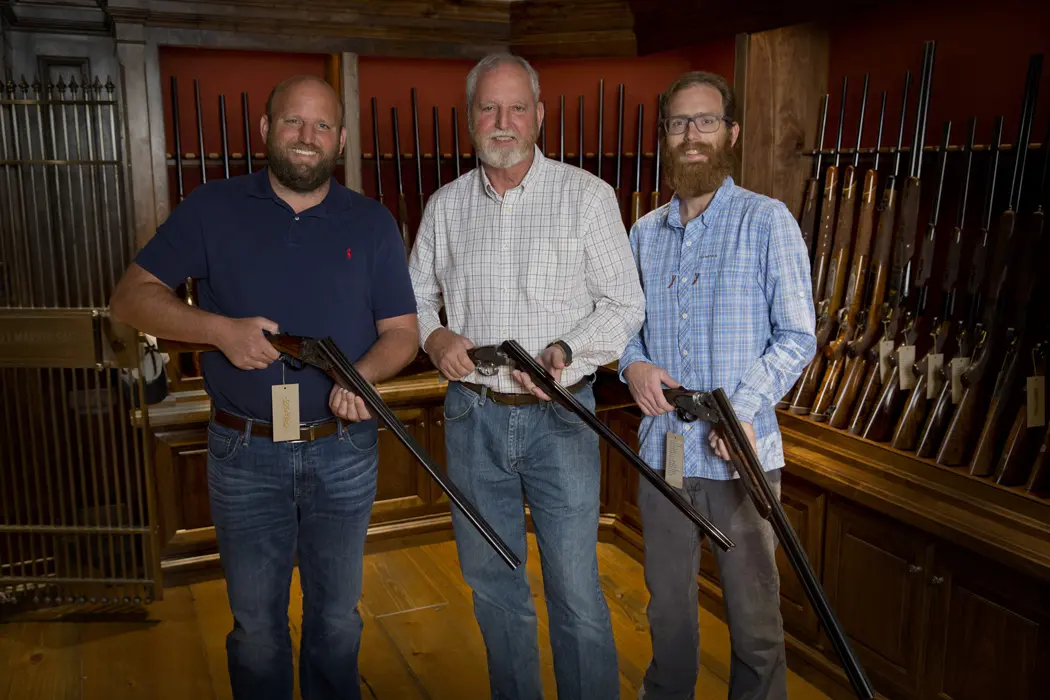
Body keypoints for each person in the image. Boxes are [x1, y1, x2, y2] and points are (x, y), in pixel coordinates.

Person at [109, 75, 419, 700]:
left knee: (336, 621)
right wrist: (218, 330)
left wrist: (364, 376)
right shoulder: (211, 206)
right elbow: (130, 300)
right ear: (265, 129)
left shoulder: (373, 221)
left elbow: (403, 333)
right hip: (244, 454)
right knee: (255, 629)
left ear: (339, 141)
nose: (307, 137)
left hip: (344, 449)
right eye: (292, 122)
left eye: (322, 126)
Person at [408, 52, 644, 699]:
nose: (502, 121)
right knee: (493, 584)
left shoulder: (588, 197)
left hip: (561, 418)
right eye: (489, 108)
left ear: (539, 114)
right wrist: (434, 335)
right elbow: (415, 296)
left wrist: (570, 349)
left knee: (575, 587)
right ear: (470, 119)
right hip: (473, 415)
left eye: (516, 107)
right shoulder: (445, 206)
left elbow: (626, 302)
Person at [619, 71, 816, 700]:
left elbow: (797, 336)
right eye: (680, 123)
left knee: (756, 626)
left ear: (730, 133)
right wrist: (632, 365)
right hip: (663, 456)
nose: (692, 135)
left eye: (705, 121)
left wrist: (742, 411)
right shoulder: (643, 233)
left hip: (743, 460)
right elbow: (622, 328)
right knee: (668, 615)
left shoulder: (767, 221)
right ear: (665, 136)